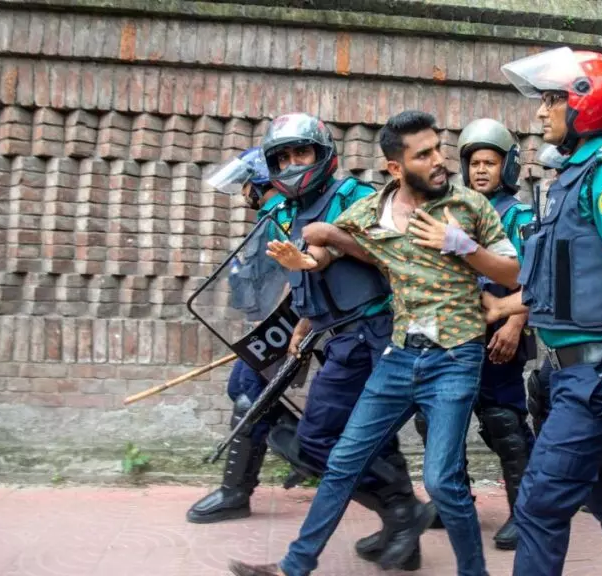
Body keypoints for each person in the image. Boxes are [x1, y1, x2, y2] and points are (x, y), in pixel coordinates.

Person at [227, 110, 520, 576]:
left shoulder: (469, 206)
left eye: (438, 148)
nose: (439, 161)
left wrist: (461, 245)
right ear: (396, 168)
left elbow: (514, 272)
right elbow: (332, 244)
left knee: (443, 482)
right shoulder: (369, 209)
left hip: (455, 357)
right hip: (401, 355)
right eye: (423, 155)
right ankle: (293, 567)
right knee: (342, 462)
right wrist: (307, 259)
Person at [483, 46, 602, 576]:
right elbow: (565, 281)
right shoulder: (576, 174)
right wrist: (507, 305)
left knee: (539, 508)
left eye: (551, 100)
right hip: (580, 374)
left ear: (587, 104)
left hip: (598, 377)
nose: (541, 112)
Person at [253, 113, 433, 571]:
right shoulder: (289, 213)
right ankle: (403, 532)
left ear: (323, 153)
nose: (293, 163)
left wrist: (331, 242)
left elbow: (395, 251)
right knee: (374, 437)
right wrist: (304, 322)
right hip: (337, 335)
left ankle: (400, 511)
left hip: (373, 334)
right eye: (284, 157)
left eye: (302, 153)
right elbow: (309, 281)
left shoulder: (355, 195)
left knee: (316, 439)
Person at [412, 117, 538, 550]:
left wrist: (515, 323)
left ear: (508, 167)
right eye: (474, 162)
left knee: (502, 419)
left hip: (499, 334)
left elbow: (535, 278)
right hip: (451, 335)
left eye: (490, 161)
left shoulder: (520, 215)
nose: (481, 169)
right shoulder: (453, 210)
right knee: (434, 419)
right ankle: (453, 503)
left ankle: (527, 513)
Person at [187, 146, 298, 524]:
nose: (242, 193)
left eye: (246, 184)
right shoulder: (273, 214)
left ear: (261, 182)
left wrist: (272, 330)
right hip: (268, 328)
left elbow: (292, 278)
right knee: (241, 389)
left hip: (285, 328)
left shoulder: (283, 215)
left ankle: (236, 493)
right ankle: (304, 452)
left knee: (251, 395)